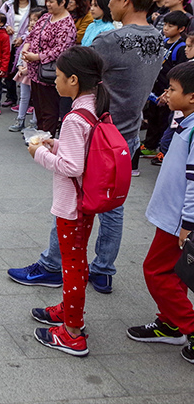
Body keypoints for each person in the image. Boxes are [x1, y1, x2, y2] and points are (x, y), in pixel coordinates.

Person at [9, 0, 164, 294]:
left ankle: (52, 264)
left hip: (97, 132)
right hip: (127, 133)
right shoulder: (157, 38)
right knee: (113, 204)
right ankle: (104, 269)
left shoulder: (112, 40)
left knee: (72, 199)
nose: (107, 1)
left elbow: (74, 71)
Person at [29, 46, 111, 357]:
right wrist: (59, 144)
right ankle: (68, 308)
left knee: (73, 265)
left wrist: (40, 153)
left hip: (73, 205)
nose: (55, 80)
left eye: (59, 76)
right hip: (84, 202)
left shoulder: (76, 116)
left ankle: (73, 331)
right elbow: (82, 153)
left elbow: (72, 167)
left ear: (74, 80)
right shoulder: (94, 106)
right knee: (75, 260)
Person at [126, 62, 194, 362]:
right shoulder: (185, 120)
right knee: (175, 274)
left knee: (156, 272)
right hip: (171, 215)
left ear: (192, 97)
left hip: (178, 220)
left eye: (172, 89)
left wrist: (188, 223)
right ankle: (170, 323)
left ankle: (189, 326)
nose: (167, 93)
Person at [22, 0, 76, 135]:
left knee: (49, 110)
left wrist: (37, 57)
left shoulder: (67, 24)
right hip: (35, 72)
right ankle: (40, 139)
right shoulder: (46, 17)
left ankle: (47, 140)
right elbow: (32, 35)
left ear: (62, 2)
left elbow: (60, 50)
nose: (48, 4)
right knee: (39, 108)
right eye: (47, 0)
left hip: (50, 74)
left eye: (51, 1)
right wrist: (26, 49)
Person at [142, 10, 189, 156]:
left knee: (164, 120)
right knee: (153, 116)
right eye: (165, 25)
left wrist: (169, 91)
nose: (166, 28)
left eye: (170, 26)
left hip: (168, 90)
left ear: (181, 29)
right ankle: (150, 144)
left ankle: (162, 150)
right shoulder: (163, 42)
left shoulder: (181, 48)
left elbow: (179, 73)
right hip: (156, 88)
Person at [9, 9, 44, 132]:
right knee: (24, 97)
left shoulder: (42, 37)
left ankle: (34, 122)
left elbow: (39, 57)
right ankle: (20, 120)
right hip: (23, 71)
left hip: (34, 72)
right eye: (31, 20)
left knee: (36, 98)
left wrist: (27, 69)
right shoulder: (28, 36)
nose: (33, 23)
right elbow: (21, 53)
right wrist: (19, 66)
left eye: (36, 20)